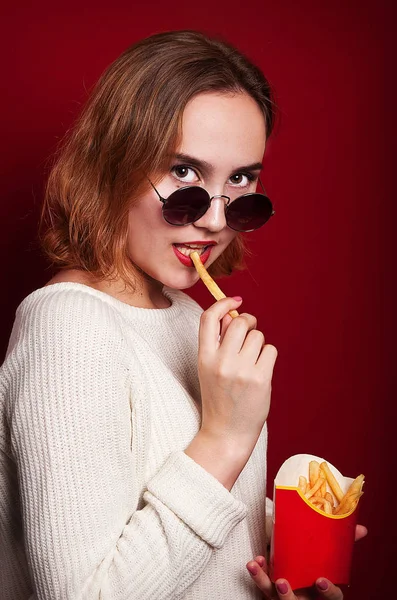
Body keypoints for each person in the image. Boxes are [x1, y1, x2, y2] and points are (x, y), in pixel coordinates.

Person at [0, 30, 366, 600]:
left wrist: (277, 542)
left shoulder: (182, 314)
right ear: (113, 163)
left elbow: (159, 501)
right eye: (185, 174)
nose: (217, 221)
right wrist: (225, 436)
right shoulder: (67, 329)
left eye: (241, 180)